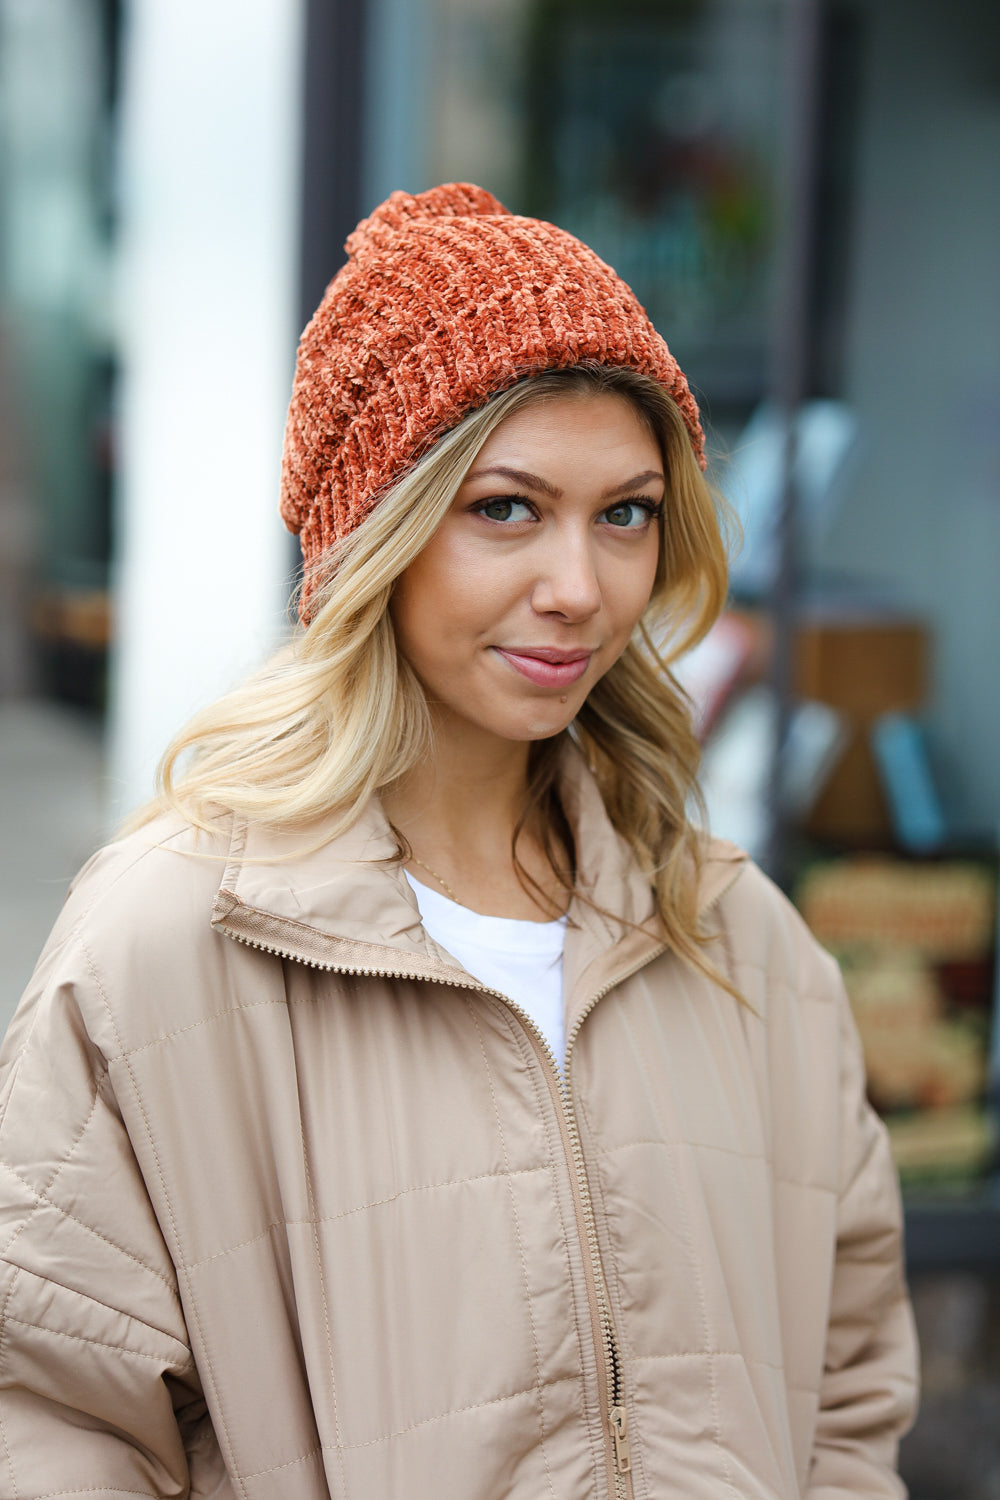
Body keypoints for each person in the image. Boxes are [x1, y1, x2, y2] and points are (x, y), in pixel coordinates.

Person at [0, 183, 916, 1499]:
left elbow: (849, 1385)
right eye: (505, 507)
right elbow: (54, 1421)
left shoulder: (736, 938)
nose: (580, 588)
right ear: (377, 534)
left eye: (627, 513)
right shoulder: (169, 942)